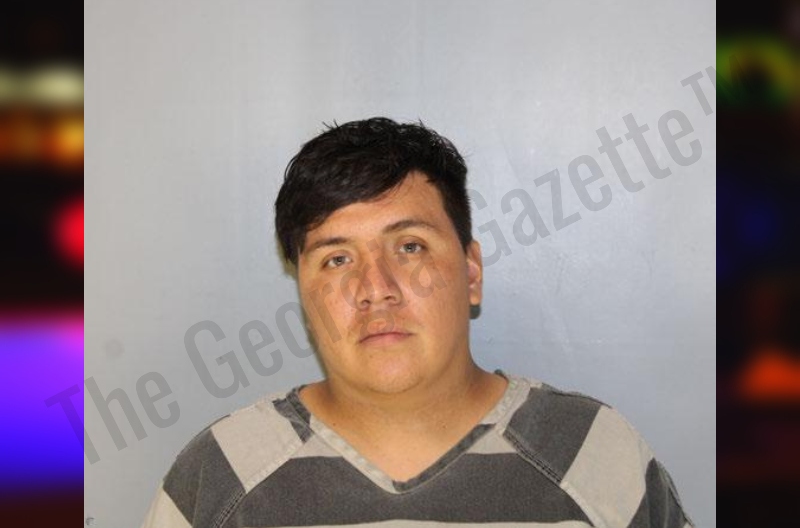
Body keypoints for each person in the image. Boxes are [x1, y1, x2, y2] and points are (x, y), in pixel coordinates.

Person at [142, 118, 694, 528]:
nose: (375, 287)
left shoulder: (593, 453)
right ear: (304, 293)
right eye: (336, 259)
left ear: (471, 272)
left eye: (410, 247)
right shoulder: (223, 473)